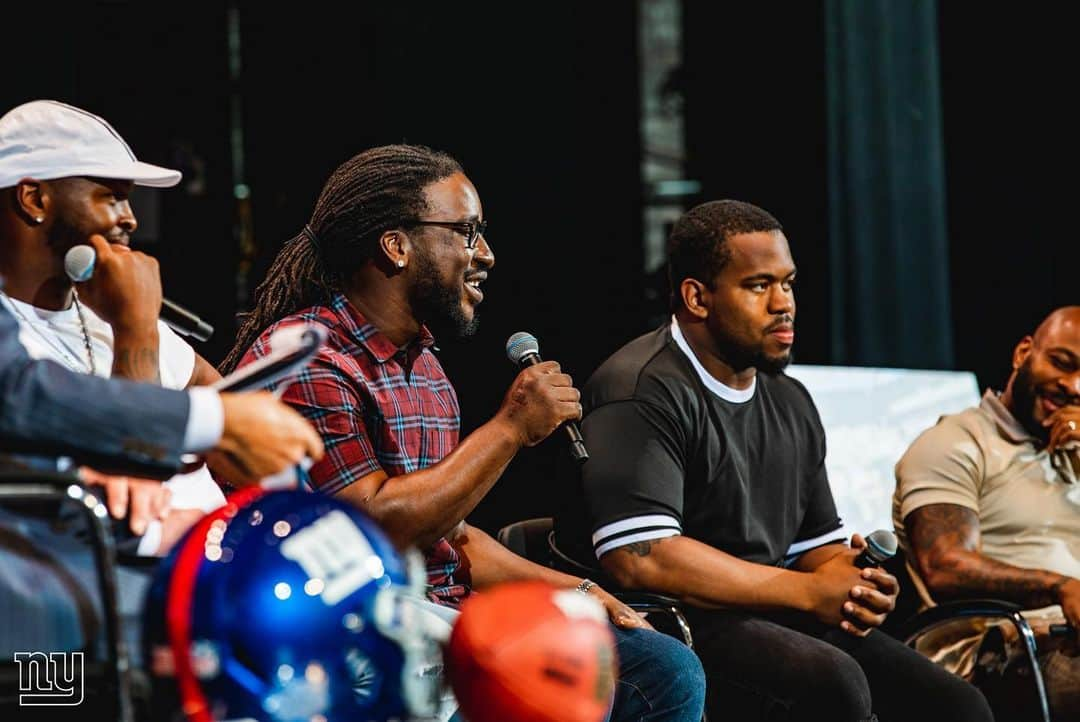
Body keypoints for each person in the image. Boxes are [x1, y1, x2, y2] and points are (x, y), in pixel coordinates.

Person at [223, 144, 705, 722]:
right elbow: (370, 529)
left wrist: (577, 592)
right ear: (397, 245)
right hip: (350, 634)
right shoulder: (311, 359)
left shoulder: (423, 363)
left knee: (660, 664)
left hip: (444, 619)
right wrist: (509, 429)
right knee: (553, 680)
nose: (488, 256)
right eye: (468, 232)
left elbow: (450, 535)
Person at [553, 199, 992, 721]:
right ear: (697, 297)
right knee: (834, 684)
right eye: (759, 286)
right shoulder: (640, 388)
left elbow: (814, 545)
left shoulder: (791, 399)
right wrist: (808, 592)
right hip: (670, 621)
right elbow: (643, 556)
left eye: (788, 283)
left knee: (955, 705)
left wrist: (852, 581)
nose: (783, 303)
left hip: (766, 606)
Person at [0, 99, 323, 545]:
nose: (129, 218)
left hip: (230, 562)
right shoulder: (19, 343)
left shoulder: (108, 313)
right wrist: (134, 327)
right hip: (135, 585)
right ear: (35, 199)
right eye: (112, 197)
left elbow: (240, 434)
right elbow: (130, 495)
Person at [895, 306, 1080, 719]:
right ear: (1022, 353)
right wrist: (1060, 587)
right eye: (1061, 364)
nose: (1074, 386)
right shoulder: (957, 442)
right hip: (993, 649)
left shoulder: (1074, 450)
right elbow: (945, 567)